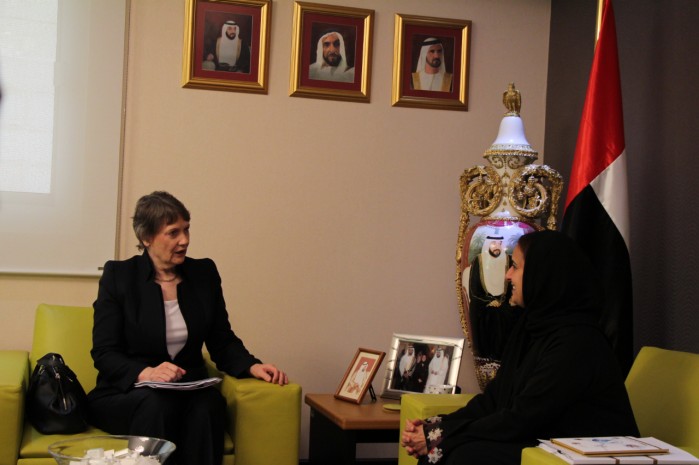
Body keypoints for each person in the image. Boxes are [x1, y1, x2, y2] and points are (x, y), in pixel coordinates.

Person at [401, 230, 639, 465]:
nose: (508, 275)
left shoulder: (577, 341)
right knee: (447, 450)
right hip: (541, 439)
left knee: (463, 455)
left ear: (542, 275)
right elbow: (493, 400)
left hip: (582, 452)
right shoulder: (532, 327)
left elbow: (524, 417)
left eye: (515, 266)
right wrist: (438, 427)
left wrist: (445, 435)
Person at [87, 191, 288, 465]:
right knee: (157, 404)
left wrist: (251, 366)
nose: (185, 240)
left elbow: (221, 339)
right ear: (146, 238)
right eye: (173, 233)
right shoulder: (119, 277)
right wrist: (148, 373)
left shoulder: (204, 273)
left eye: (186, 229)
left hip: (187, 388)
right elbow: (104, 352)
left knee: (209, 405)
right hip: (128, 394)